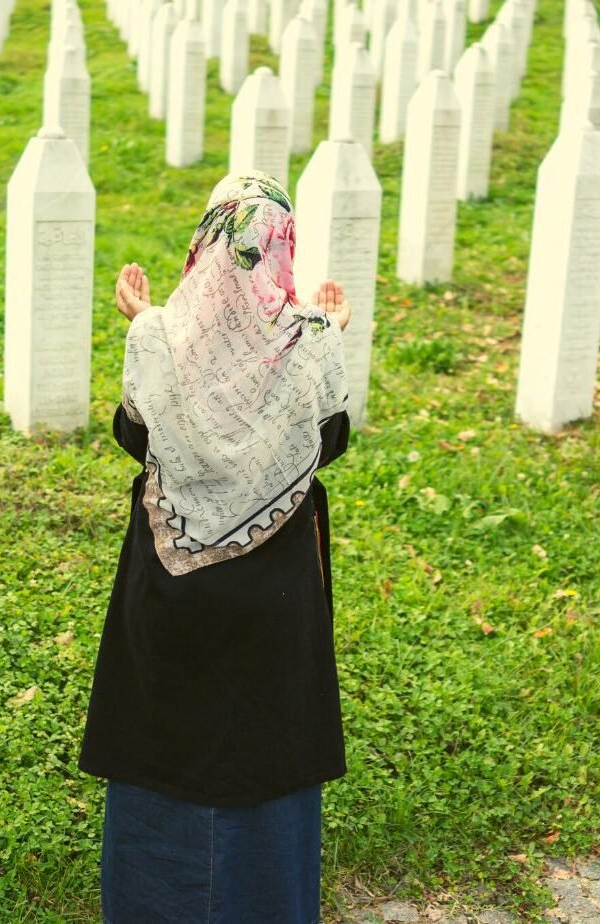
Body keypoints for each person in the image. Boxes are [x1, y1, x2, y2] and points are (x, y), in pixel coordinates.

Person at [77, 171, 354, 924]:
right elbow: (328, 442)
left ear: (205, 242)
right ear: (283, 249)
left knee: (164, 753)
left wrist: (145, 320)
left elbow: (136, 435)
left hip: (169, 595)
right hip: (276, 604)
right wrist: (330, 333)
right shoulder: (313, 344)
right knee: (264, 761)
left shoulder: (155, 338)